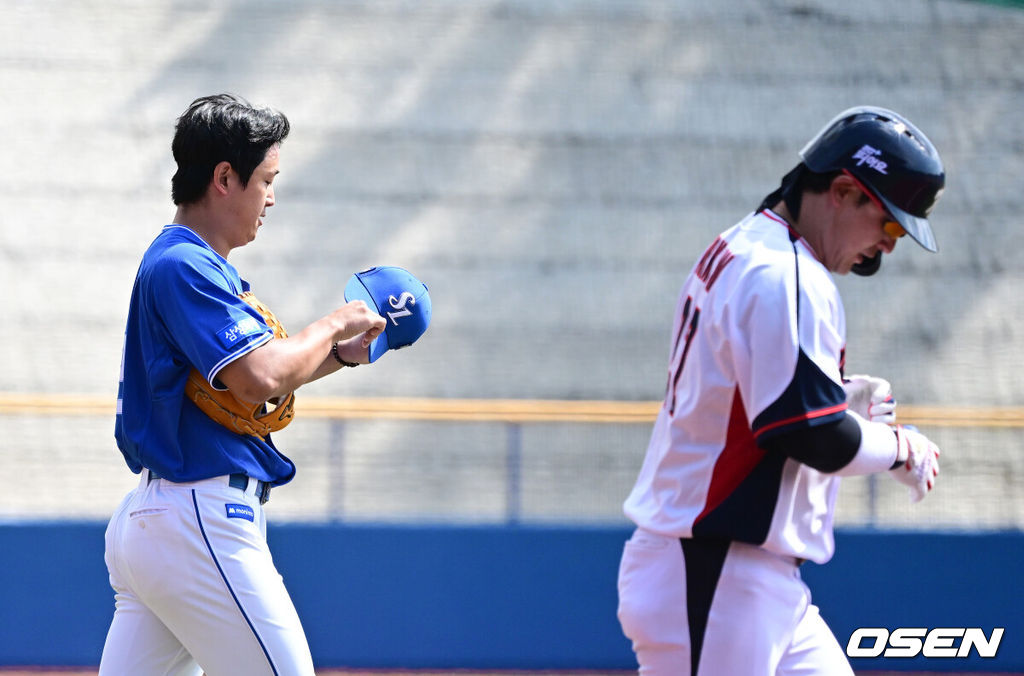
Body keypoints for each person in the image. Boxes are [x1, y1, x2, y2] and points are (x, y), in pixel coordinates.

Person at [616, 106, 944, 675]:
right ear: (844, 190)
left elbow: (769, 403)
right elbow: (809, 433)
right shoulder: (783, 271)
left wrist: (837, 397)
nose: (889, 246)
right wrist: (900, 447)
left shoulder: (751, 246)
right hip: (715, 572)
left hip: (747, 579)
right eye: (889, 224)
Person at [99, 93, 391, 676]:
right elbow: (259, 379)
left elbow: (242, 386)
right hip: (200, 516)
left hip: (162, 520)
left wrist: (339, 356)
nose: (272, 197)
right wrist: (337, 320)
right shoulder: (185, 264)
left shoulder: (186, 262)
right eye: (266, 179)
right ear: (224, 177)